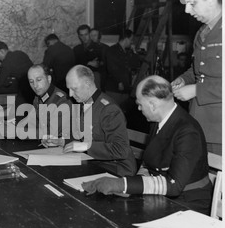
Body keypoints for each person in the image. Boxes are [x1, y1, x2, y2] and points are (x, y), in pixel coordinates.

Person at [83, 75, 212, 215]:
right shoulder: (159, 121)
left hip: (188, 203)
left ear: (152, 105)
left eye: (140, 104)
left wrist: (122, 184)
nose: (138, 108)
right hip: (163, 197)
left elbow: (174, 186)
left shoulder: (187, 131)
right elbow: (149, 163)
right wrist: (129, 186)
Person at [172, 0, 222, 156]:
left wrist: (196, 91)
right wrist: (183, 80)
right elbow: (197, 71)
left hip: (219, 130)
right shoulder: (202, 32)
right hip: (197, 122)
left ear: (211, 0)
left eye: (193, 4)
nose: (187, 10)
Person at [60, 65, 136, 177]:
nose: (70, 94)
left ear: (87, 83)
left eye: (74, 89)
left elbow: (121, 149)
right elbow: (83, 138)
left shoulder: (109, 109)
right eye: (68, 89)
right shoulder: (84, 103)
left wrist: (86, 147)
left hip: (116, 169)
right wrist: (63, 141)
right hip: (94, 162)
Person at [14, 64, 72, 143]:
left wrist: (18, 132)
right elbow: (31, 120)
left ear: (49, 78)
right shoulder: (39, 97)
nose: (35, 85)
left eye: (38, 80)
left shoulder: (61, 101)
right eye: (31, 82)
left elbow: (50, 133)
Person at [105, 29, 140, 110]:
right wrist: (119, 82)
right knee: (113, 111)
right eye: (131, 39)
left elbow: (136, 64)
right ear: (126, 39)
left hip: (125, 89)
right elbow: (111, 68)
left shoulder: (127, 52)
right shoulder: (112, 50)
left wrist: (134, 52)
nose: (131, 42)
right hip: (114, 89)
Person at [73, 24, 103, 89]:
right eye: (81, 35)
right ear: (79, 36)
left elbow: (99, 64)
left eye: (86, 34)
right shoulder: (77, 49)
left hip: (94, 80)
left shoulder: (98, 47)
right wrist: (88, 63)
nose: (84, 37)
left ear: (90, 34)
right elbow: (75, 65)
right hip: (81, 80)